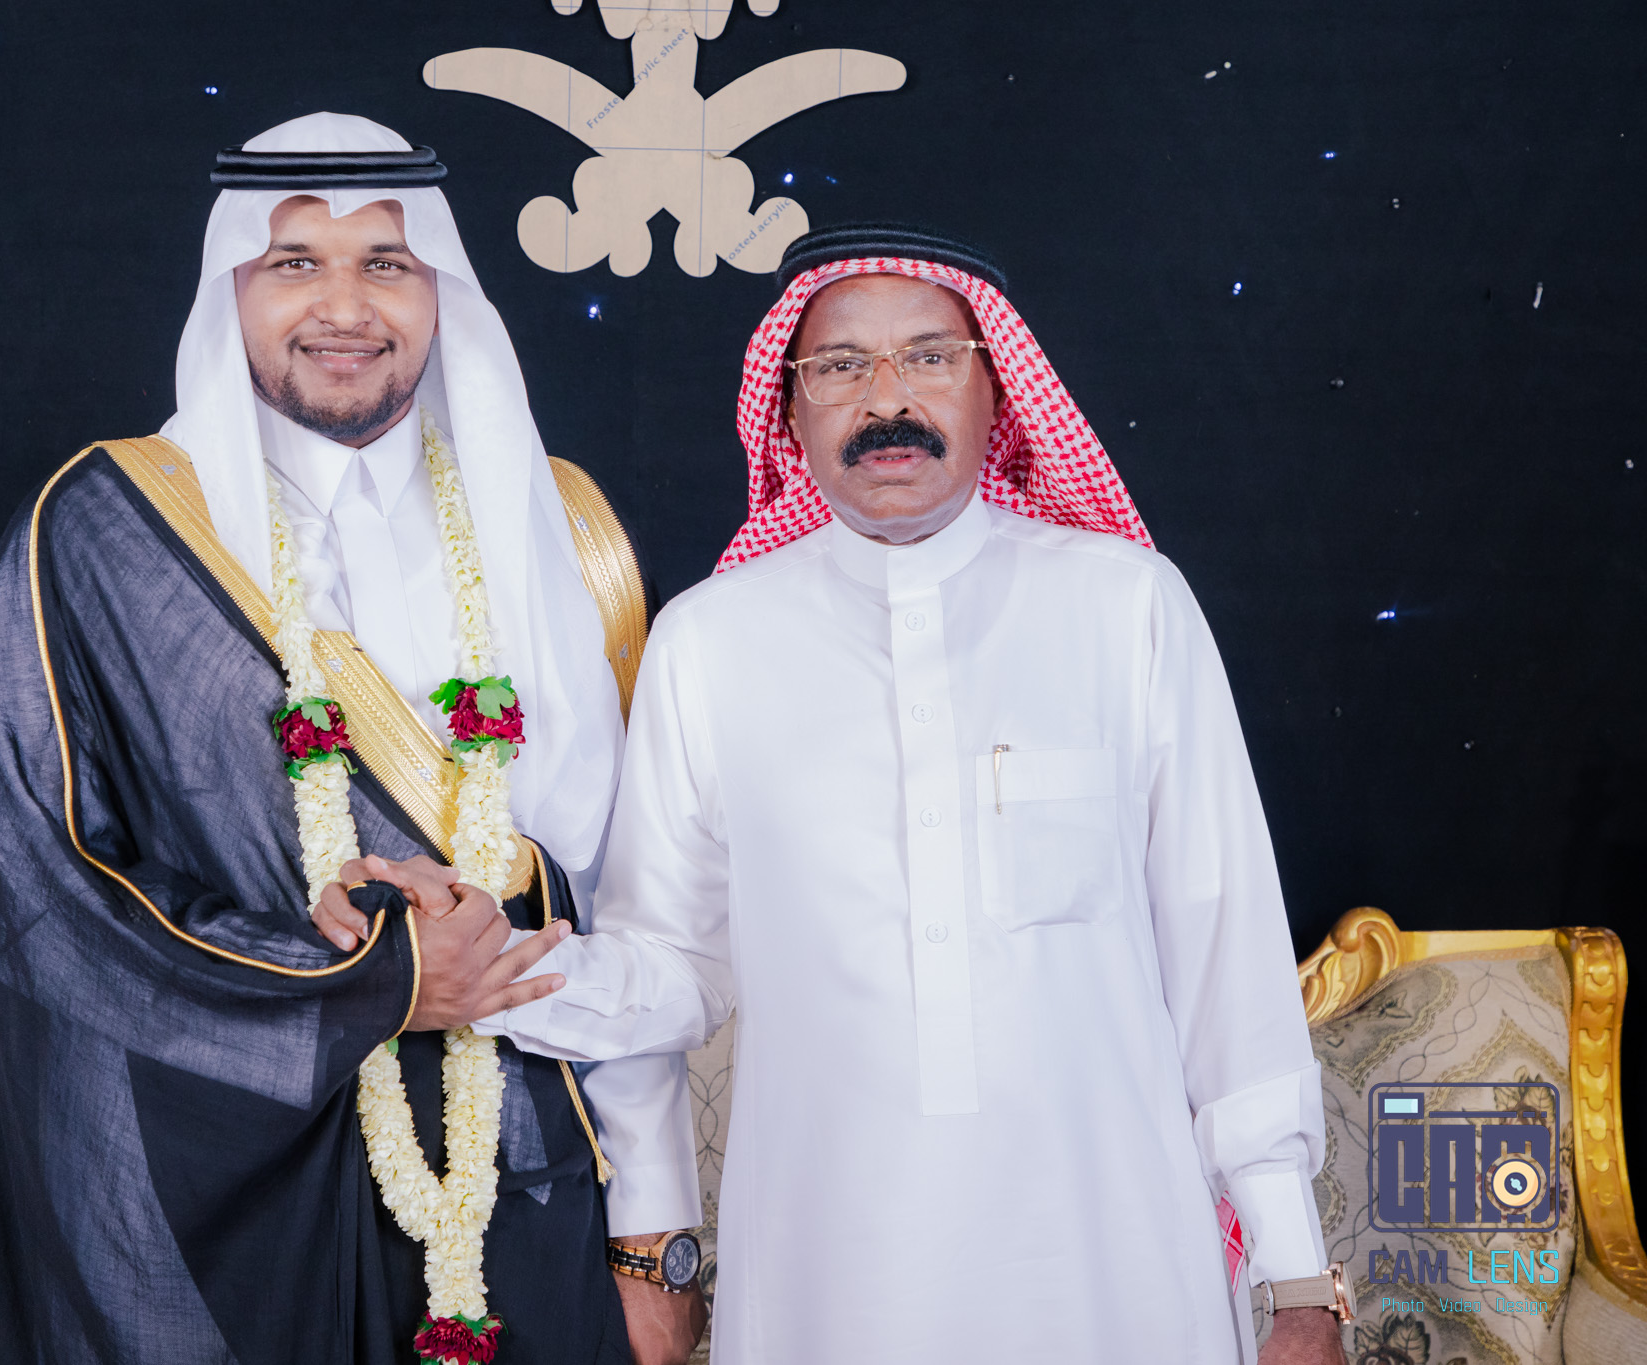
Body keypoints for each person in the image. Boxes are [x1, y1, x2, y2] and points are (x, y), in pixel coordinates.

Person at [324, 224, 1347, 1362]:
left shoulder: (1128, 609)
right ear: (791, 409)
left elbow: (1224, 962)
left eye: (930, 356)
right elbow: (674, 970)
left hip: (1114, 1264)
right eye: (841, 366)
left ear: (996, 389)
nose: (886, 398)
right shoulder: (712, 642)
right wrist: (488, 966)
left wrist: (1297, 1282)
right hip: (829, 1276)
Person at [0, 112, 701, 1364]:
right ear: (231, 289)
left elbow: (630, 916)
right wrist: (374, 984)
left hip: (530, 1189)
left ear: (439, 290)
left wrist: (652, 1242)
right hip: (231, 1204)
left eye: (385, 263)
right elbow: (49, 904)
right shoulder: (102, 534)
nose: (344, 307)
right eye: (294, 261)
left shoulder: (557, 530)